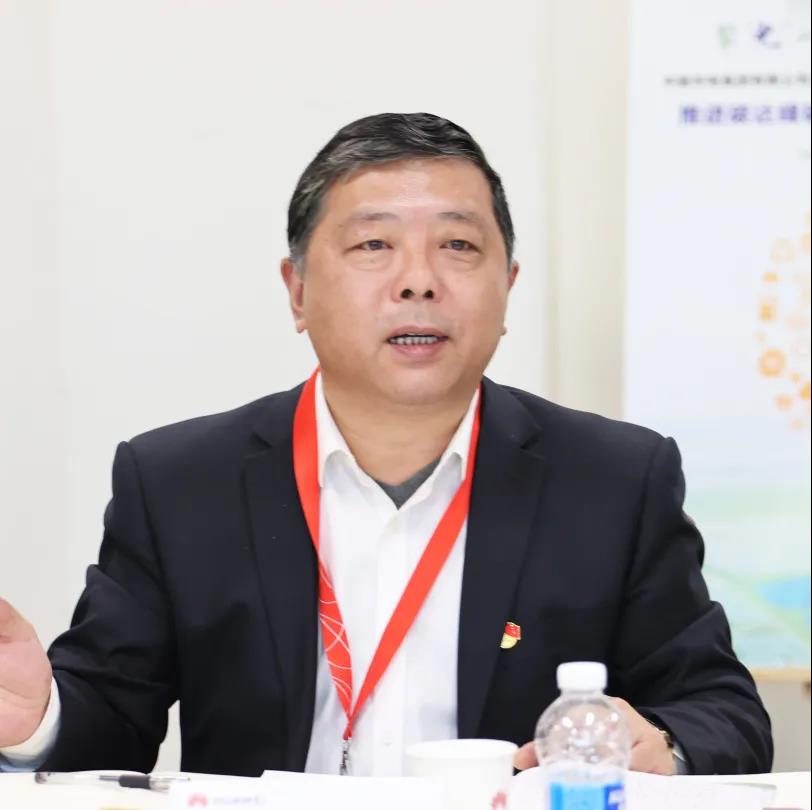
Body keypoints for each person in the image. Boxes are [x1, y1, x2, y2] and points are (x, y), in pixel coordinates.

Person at [0, 112, 772, 778]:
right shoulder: (180, 483)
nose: (418, 281)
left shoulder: (613, 480)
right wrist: (38, 719)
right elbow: (112, 720)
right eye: (374, 244)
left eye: (458, 246)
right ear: (298, 291)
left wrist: (663, 745)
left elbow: (721, 712)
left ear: (508, 286)